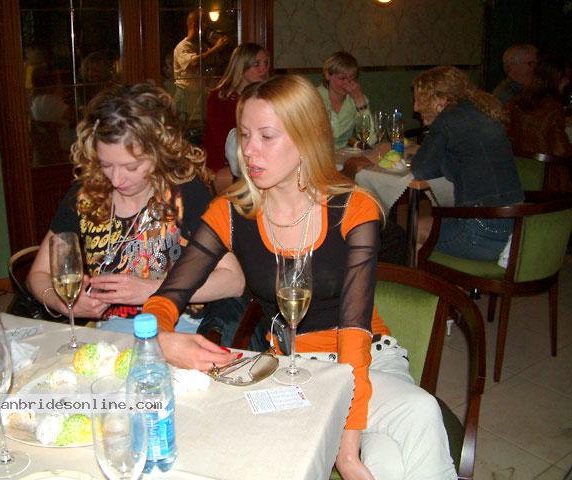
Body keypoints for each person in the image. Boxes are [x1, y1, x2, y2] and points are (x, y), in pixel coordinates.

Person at [142, 75, 456, 480]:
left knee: (411, 423)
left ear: (307, 138)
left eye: (266, 136)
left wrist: (346, 452)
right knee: (397, 449)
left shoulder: (354, 208)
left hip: (369, 359)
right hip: (296, 370)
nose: (248, 150)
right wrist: (161, 337)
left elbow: (354, 332)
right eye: (245, 135)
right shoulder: (230, 213)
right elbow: (168, 296)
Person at [27, 83, 245, 336]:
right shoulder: (84, 197)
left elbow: (233, 280)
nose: (116, 179)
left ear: (158, 152)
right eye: (106, 164)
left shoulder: (184, 193)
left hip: (176, 327)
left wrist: (151, 289)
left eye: (131, 167)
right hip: (109, 332)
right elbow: (38, 274)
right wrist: (63, 303)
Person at [411, 66, 525, 261]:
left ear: (440, 100)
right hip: (517, 229)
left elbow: (421, 169)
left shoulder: (447, 120)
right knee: (439, 220)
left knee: (415, 229)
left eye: (420, 99)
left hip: (483, 231)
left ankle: (427, 281)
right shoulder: (483, 111)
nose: (415, 107)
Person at [203, 43, 270, 192]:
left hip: (253, 157)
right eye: (256, 64)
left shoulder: (264, 97)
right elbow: (223, 141)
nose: (263, 69)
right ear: (241, 66)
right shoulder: (220, 97)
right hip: (223, 164)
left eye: (266, 63)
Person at [506, 55, 572, 191]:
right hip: (547, 179)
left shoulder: (516, 102)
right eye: (565, 77)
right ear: (556, 78)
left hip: (515, 175)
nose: (568, 81)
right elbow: (560, 150)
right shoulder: (553, 108)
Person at [173, 9, 229, 123]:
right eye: (203, 24)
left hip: (200, 95)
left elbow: (215, 64)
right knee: (182, 126)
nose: (205, 27)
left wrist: (221, 48)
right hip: (185, 96)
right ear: (194, 25)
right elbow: (193, 63)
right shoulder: (182, 47)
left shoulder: (202, 46)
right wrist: (215, 48)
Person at [317, 51, 377, 151]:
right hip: (317, 155)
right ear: (328, 75)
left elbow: (371, 140)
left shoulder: (355, 99)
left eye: (352, 78)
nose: (347, 83)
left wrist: (359, 99)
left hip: (344, 155)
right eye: (342, 78)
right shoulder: (313, 98)